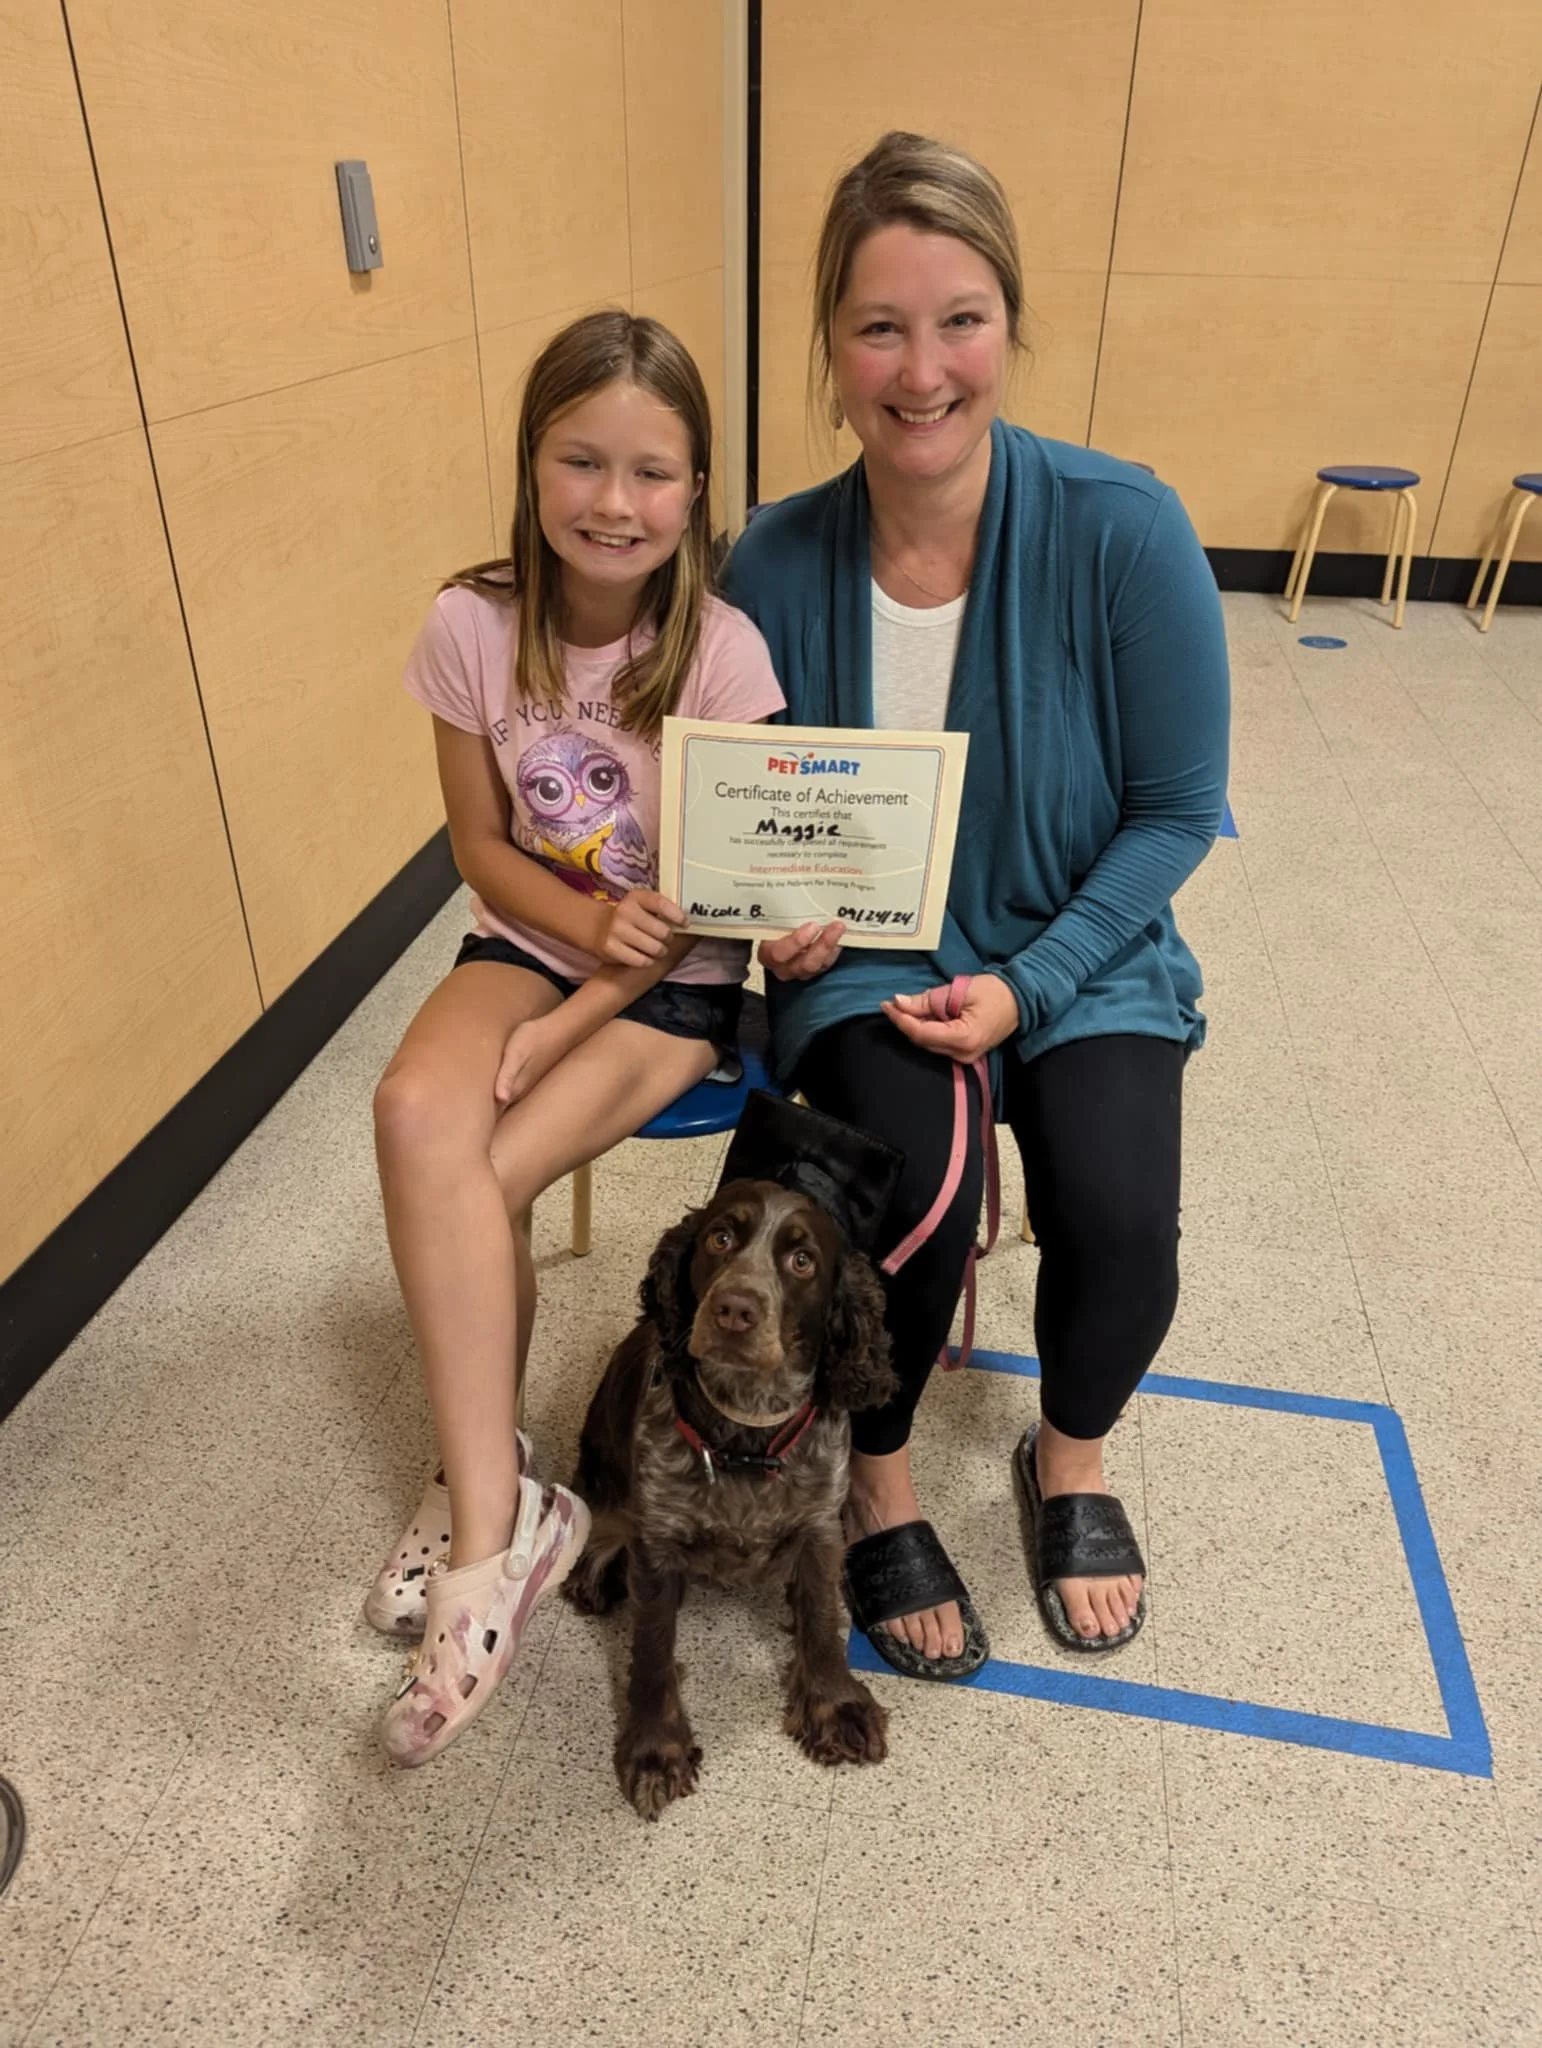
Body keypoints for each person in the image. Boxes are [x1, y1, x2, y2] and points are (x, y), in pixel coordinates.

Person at [722, 132, 1230, 1679]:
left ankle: (1065, 1459)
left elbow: (1170, 812)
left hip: (1079, 940)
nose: (922, 368)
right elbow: (754, 814)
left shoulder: (1121, 528)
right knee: (911, 1206)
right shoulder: (774, 555)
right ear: (828, 347)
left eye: (961, 320)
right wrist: (773, 922)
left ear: (1009, 326)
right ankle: (876, 1483)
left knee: (1120, 1217)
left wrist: (1033, 985)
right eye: (880, 326)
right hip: (867, 956)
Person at [369, 311, 784, 1764]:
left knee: (476, 1184)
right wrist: (555, 965)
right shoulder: (468, 622)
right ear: (532, 467)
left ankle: (482, 1525)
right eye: (581, 461)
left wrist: (576, 1024)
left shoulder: (720, 656)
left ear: (695, 494)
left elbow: (708, 918)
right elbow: (482, 849)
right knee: (414, 1115)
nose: (615, 502)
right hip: (527, 938)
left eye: (652, 473)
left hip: (672, 993)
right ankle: (503, 1494)